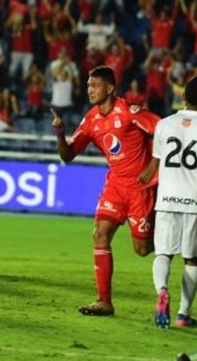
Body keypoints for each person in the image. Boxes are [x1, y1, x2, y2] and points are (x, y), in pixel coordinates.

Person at [51, 65, 160, 316]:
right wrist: (60, 134)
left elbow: (164, 130)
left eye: (95, 85)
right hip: (115, 186)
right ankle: (104, 301)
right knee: (100, 234)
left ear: (110, 88)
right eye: (89, 86)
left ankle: (169, 239)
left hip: (140, 188)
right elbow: (67, 155)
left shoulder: (130, 112)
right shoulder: (91, 120)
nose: (90, 90)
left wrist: (154, 164)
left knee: (142, 250)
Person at [140, 76, 197, 328]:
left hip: (166, 198)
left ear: (183, 96)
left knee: (163, 252)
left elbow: (155, 162)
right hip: (195, 201)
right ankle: (182, 315)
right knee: (191, 258)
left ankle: (162, 290)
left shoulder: (165, 125)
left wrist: (147, 173)